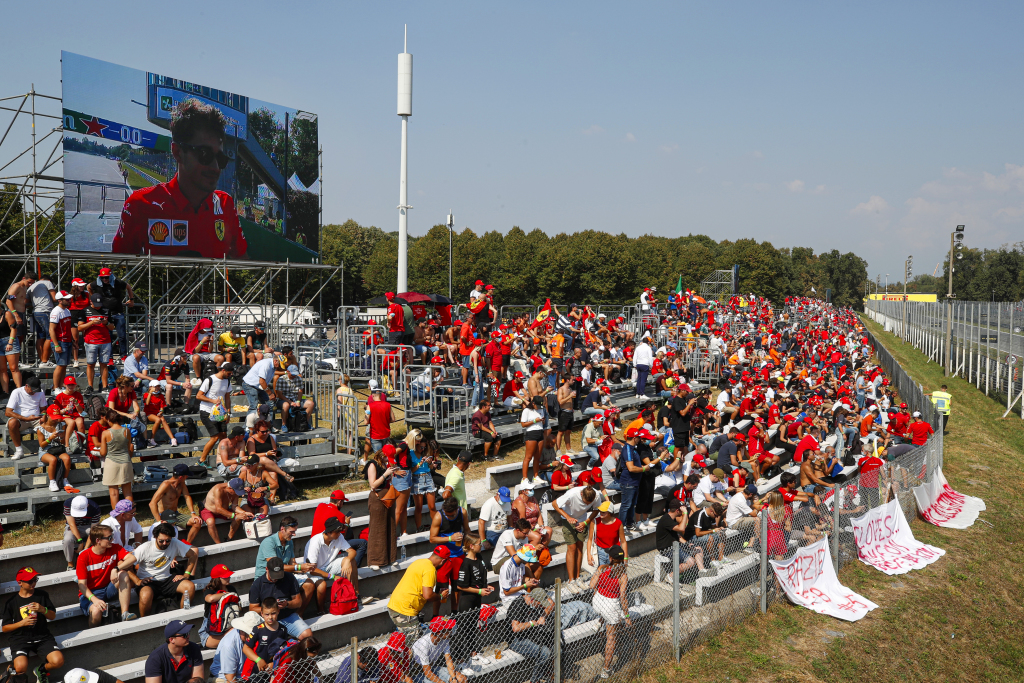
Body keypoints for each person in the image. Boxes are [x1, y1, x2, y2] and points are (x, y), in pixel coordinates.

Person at [113, 99, 247, 258]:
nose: (216, 167)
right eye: (205, 154)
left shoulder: (226, 204)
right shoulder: (139, 204)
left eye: (220, 158)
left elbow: (242, 262)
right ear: (177, 152)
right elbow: (118, 270)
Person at [2, 566, 63, 683]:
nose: (34, 583)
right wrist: (21, 623)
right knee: (20, 668)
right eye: (30, 581)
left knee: (58, 661)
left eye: (35, 579)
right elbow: (5, 628)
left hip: (42, 637)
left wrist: (43, 610)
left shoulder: (42, 595)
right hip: (20, 639)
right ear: (19, 583)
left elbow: (52, 616)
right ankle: (10, 672)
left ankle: (41, 670)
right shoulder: (12, 602)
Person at [386, 546, 451, 647]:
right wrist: (440, 596)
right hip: (405, 611)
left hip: (397, 605)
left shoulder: (419, 562)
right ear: (443, 561)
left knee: (408, 642)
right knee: (414, 647)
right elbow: (428, 595)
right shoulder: (430, 570)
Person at [76, 524, 137, 625]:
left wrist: (116, 568)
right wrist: (95, 600)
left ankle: (125, 614)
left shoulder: (115, 548)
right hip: (91, 593)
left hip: (109, 588)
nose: (112, 539)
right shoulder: (83, 557)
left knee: (123, 574)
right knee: (96, 612)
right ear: (98, 540)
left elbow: (133, 558)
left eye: (112, 536)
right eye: (109, 538)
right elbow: (82, 586)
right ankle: (95, 638)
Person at [134, 523, 198, 616]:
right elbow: (127, 566)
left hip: (167, 579)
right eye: (161, 541)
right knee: (145, 595)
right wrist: (137, 581)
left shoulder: (175, 542)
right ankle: (146, 623)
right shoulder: (144, 547)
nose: (165, 543)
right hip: (148, 581)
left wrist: (186, 574)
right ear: (155, 537)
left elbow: (193, 555)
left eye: (168, 541)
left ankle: (183, 617)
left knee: (190, 587)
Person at [589, 546, 632, 679]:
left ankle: (599, 621)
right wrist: (627, 616)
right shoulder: (623, 575)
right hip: (610, 606)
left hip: (597, 602)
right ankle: (606, 669)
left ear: (610, 558)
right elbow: (623, 598)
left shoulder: (602, 568)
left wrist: (600, 584)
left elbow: (591, 585)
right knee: (611, 638)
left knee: (607, 611)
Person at [301, 516, 359, 613]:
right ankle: (321, 610)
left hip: (329, 566)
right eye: (337, 531)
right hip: (314, 571)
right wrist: (332, 576)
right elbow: (312, 569)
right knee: (322, 585)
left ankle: (353, 596)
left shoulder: (339, 537)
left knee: (351, 561)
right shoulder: (315, 541)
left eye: (340, 530)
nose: (340, 533)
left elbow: (352, 551)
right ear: (328, 532)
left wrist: (348, 560)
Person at [247, 557, 313, 640]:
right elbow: (252, 609)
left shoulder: (289, 578)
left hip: (287, 616)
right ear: (266, 569)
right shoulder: (257, 584)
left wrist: (287, 604)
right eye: (274, 575)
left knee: (307, 635)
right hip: (268, 619)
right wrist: (270, 609)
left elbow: (298, 602)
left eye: (279, 575)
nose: (276, 578)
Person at [429, 497, 471, 614]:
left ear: (457, 509)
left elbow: (467, 530)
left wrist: (469, 544)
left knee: (457, 586)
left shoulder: (462, 512)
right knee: (441, 587)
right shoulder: (439, 516)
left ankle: (454, 612)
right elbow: (432, 539)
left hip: (458, 554)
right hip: (443, 556)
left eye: (452, 515)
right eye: (447, 515)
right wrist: (449, 538)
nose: (450, 517)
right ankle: (435, 615)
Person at [552, 484, 602, 580]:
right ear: (581, 494)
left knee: (580, 547)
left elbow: (596, 509)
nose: (587, 505)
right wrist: (568, 517)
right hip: (568, 519)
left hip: (583, 520)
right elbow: (554, 504)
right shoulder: (572, 494)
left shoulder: (596, 495)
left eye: (589, 504)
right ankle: (571, 580)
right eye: (585, 502)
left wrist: (586, 522)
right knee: (572, 548)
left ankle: (577, 577)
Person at [506, 586, 554, 683]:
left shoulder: (535, 599)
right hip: (516, 640)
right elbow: (515, 628)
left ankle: (546, 672)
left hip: (531, 635)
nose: (541, 607)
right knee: (545, 653)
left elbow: (552, 604)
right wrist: (532, 623)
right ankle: (535, 680)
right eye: (540, 605)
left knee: (556, 648)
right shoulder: (518, 604)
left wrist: (543, 617)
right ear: (532, 599)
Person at [149, 463, 203, 544]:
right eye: (186, 476)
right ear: (181, 477)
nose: (187, 477)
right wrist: (159, 521)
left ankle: (186, 545)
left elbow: (187, 497)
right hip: (163, 516)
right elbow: (152, 503)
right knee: (167, 534)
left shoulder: (182, 484)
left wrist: (193, 513)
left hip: (175, 514)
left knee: (197, 522)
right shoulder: (166, 484)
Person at [365, 445, 399, 570]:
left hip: (388, 496)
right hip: (377, 498)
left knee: (390, 526)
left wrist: (393, 474)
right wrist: (385, 475)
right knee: (377, 528)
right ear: (381, 455)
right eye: (387, 458)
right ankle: (375, 559)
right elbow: (373, 484)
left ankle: (390, 557)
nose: (388, 460)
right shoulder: (372, 465)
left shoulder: (387, 464)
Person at [210, 611, 263, 683]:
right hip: (225, 678)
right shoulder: (229, 644)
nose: (251, 637)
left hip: (247, 676)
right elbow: (230, 679)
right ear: (242, 630)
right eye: (249, 634)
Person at [198, 362, 235, 466]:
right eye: (228, 373)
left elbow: (227, 397)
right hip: (207, 411)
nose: (230, 375)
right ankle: (202, 460)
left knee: (223, 437)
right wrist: (213, 401)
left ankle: (223, 460)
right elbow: (199, 396)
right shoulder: (210, 380)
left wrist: (228, 413)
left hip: (221, 413)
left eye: (231, 374)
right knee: (214, 437)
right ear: (223, 370)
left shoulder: (227, 381)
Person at [655, 499, 705, 575]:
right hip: (667, 549)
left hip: (676, 546)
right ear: (677, 510)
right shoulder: (666, 519)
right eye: (683, 509)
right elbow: (682, 528)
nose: (685, 511)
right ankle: (670, 576)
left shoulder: (673, 519)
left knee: (698, 549)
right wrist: (685, 514)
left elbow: (677, 535)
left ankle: (702, 572)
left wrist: (687, 543)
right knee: (691, 562)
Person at [411, 617, 467, 683]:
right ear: (439, 633)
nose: (451, 631)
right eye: (449, 629)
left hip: (431, 668)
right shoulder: (424, 644)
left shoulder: (445, 639)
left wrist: (454, 678)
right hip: (418, 672)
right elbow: (428, 673)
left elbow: (448, 660)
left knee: (462, 679)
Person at [36, 406, 77, 493]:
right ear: (47, 415)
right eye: (53, 418)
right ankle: (52, 482)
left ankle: (65, 480)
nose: (55, 420)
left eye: (57, 418)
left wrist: (62, 437)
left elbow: (62, 442)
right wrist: (50, 438)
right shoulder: (40, 429)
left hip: (57, 448)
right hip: (45, 450)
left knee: (67, 458)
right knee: (53, 460)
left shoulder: (61, 425)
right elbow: (42, 445)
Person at [79, 294, 115, 391]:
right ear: (91, 302)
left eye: (99, 304)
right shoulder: (85, 311)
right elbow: (79, 328)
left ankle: (104, 386)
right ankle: (90, 386)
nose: (98, 306)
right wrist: (91, 323)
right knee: (91, 364)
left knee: (104, 364)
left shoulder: (106, 310)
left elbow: (112, 327)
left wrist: (106, 323)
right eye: (96, 304)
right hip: (91, 342)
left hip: (105, 341)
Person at [99, 411, 135, 509]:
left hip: (112, 463)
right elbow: (128, 448)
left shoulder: (106, 433)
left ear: (109, 420)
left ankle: (116, 516)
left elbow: (103, 452)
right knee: (127, 492)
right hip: (126, 462)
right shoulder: (127, 431)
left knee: (114, 493)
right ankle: (130, 513)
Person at [6, 376, 47, 460]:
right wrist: (26, 419)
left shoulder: (41, 392)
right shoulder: (16, 392)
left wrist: (43, 416)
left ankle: (46, 448)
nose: (34, 393)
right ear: (26, 386)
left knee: (50, 420)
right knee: (12, 423)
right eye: (32, 390)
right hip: (21, 419)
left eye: (36, 390)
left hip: (36, 418)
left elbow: (44, 409)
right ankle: (19, 450)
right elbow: (8, 412)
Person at [202, 479, 254, 544]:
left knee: (238, 518)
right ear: (230, 488)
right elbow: (219, 509)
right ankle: (219, 544)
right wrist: (235, 515)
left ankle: (229, 539)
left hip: (224, 510)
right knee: (210, 522)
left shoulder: (235, 490)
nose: (237, 494)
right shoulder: (218, 489)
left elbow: (234, 506)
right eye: (236, 491)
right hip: (209, 510)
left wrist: (244, 513)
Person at [198, 564, 238, 649]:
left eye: (229, 576)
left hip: (228, 626)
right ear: (217, 579)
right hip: (209, 634)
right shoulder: (210, 590)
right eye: (225, 577)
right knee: (238, 635)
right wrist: (225, 595)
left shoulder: (231, 588)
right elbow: (210, 598)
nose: (228, 578)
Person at [63, 494, 101, 571]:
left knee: (98, 535)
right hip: (73, 526)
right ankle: (70, 563)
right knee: (67, 539)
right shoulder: (67, 504)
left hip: (88, 527)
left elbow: (93, 531)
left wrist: (84, 549)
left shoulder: (95, 508)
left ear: (87, 505)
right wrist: (80, 542)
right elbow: (72, 524)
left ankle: (96, 560)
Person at [275, 364, 316, 432]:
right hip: (283, 400)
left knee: (311, 404)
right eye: (292, 374)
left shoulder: (298, 379)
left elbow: (300, 391)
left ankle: (305, 423)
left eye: (295, 374)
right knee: (286, 405)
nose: (294, 376)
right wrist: (290, 402)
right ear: (288, 371)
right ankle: (284, 424)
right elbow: (279, 395)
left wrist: (298, 401)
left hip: (295, 399)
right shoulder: (281, 379)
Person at [47, 290, 74, 388]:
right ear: (60, 300)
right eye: (67, 299)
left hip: (67, 341)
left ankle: (62, 386)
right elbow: (51, 329)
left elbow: (68, 327)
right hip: (60, 341)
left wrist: (72, 340)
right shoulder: (56, 311)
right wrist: (56, 344)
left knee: (64, 366)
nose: (69, 300)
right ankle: (55, 387)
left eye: (69, 298)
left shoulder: (67, 310)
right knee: (60, 365)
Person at [28, 275, 56, 366]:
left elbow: (26, 302)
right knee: (50, 336)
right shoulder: (47, 282)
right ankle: (45, 361)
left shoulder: (31, 286)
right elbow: (55, 298)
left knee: (41, 336)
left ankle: (42, 360)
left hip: (36, 312)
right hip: (45, 311)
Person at [519, 396, 546, 488]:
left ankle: (535, 476)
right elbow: (523, 424)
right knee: (528, 457)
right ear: (533, 403)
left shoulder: (541, 409)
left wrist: (542, 421)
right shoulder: (526, 411)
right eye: (537, 405)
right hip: (531, 433)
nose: (539, 407)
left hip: (540, 432)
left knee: (537, 457)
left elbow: (542, 422)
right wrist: (535, 420)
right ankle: (524, 478)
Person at [141, 381, 177, 447]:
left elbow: (162, 408)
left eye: (158, 386)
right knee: (158, 420)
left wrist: (161, 412)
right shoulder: (146, 394)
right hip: (148, 413)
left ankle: (173, 439)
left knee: (163, 419)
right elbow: (147, 403)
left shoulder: (161, 396)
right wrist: (150, 393)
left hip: (156, 413)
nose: (157, 388)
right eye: (155, 386)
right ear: (150, 387)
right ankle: (151, 438)